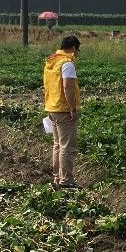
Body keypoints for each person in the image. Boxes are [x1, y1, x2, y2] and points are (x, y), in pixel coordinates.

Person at [43, 35, 82, 189]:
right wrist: (72, 109)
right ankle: (66, 180)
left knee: (57, 145)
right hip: (63, 109)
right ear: (73, 48)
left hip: (51, 107)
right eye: (77, 50)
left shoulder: (52, 61)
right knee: (67, 146)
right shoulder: (67, 64)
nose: (77, 53)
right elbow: (68, 87)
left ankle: (57, 178)